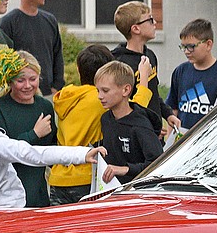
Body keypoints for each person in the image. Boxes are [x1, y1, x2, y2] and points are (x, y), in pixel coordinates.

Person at [49, 45, 153, 205]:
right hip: (86, 178)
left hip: (58, 177)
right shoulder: (101, 100)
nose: (101, 95)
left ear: (78, 69)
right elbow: (133, 110)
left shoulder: (65, 97)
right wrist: (144, 78)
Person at [0, 51, 58, 207]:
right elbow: (0, 153)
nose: (28, 86)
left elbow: (52, 149)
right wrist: (33, 134)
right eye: (21, 80)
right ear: (10, 82)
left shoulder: (45, 106)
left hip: (39, 195)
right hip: (9, 198)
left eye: (33, 79)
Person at [96, 61, 163, 184]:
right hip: (110, 189)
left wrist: (126, 169)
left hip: (137, 192)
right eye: (98, 91)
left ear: (126, 90)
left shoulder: (140, 125)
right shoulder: (106, 119)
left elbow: (158, 163)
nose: (100, 96)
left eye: (105, 91)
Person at [0, 0, 64, 95]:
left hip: (47, 94)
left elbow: (57, 55)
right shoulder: (8, 23)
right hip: (19, 94)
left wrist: (56, 86)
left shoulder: (50, 20)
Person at [165, 18, 217, 131]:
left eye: (191, 46)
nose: (187, 51)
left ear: (208, 44)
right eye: (183, 47)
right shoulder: (180, 71)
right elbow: (173, 109)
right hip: (184, 140)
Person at [112, 1, 168, 133]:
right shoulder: (119, 64)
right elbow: (124, 107)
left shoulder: (150, 56)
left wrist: (167, 114)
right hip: (135, 134)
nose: (155, 23)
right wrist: (148, 127)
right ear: (136, 29)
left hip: (154, 132)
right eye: (150, 20)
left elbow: (153, 93)